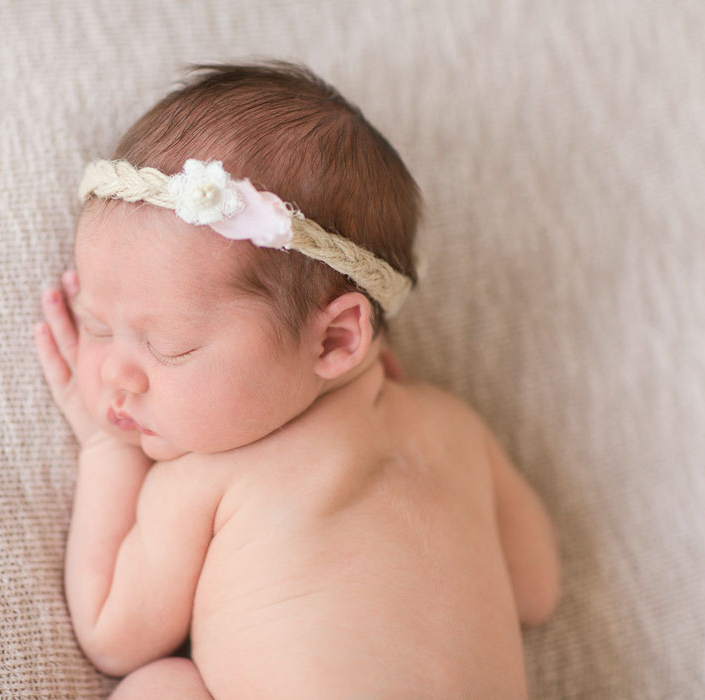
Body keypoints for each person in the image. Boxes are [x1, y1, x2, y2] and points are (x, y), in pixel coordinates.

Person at [34, 61, 559, 699]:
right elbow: (537, 589)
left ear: (336, 340)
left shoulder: (208, 475)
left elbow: (111, 633)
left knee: (160, 684)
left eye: (169, 348)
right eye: (95, 324)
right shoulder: (455, 427)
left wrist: (106, 449)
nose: (115, 372)